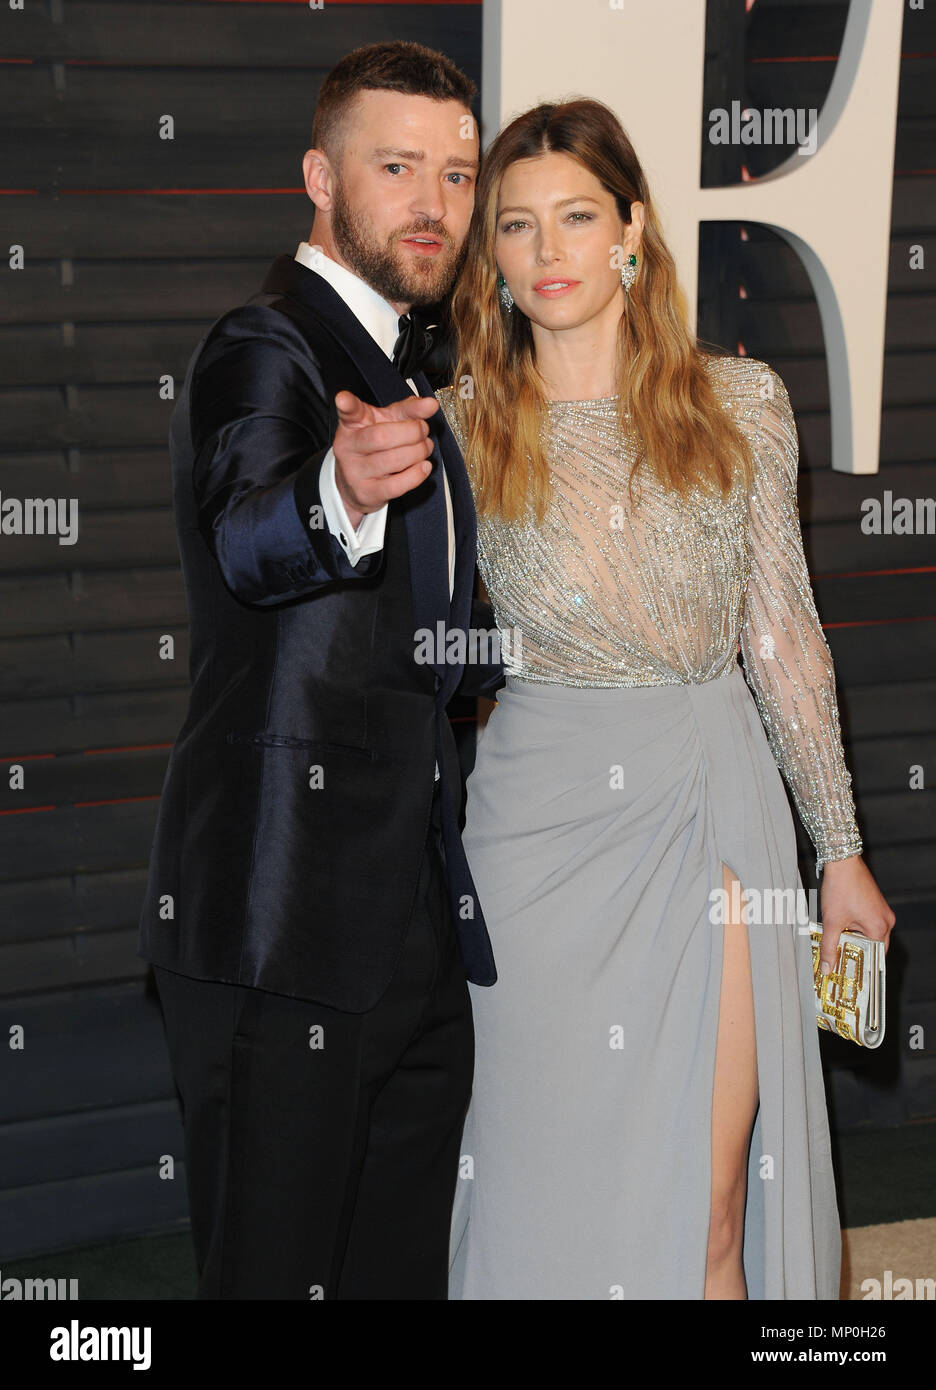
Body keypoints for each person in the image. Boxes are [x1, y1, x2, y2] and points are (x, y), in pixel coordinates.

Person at [437, 97, 896, 1301]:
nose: (548, 252)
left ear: (633, 229)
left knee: (709, 1208)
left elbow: (782, 638)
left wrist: (839, 848)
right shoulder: (459, 432)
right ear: (493, 253)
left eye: (577, 217)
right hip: (536, 847)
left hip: (715, 815)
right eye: (519, 226)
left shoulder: (740, 406)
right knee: (548, 1198)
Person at [137, 40, 504, 1300]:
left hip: (405, 919)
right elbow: (249, 533)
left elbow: (432, 641)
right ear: (317, 175)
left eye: (457, 174)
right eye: (396, 167)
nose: (433, 204)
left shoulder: (413, 364)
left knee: (395, 1276)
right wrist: (336, 491)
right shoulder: (266, 345)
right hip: (274, 919)